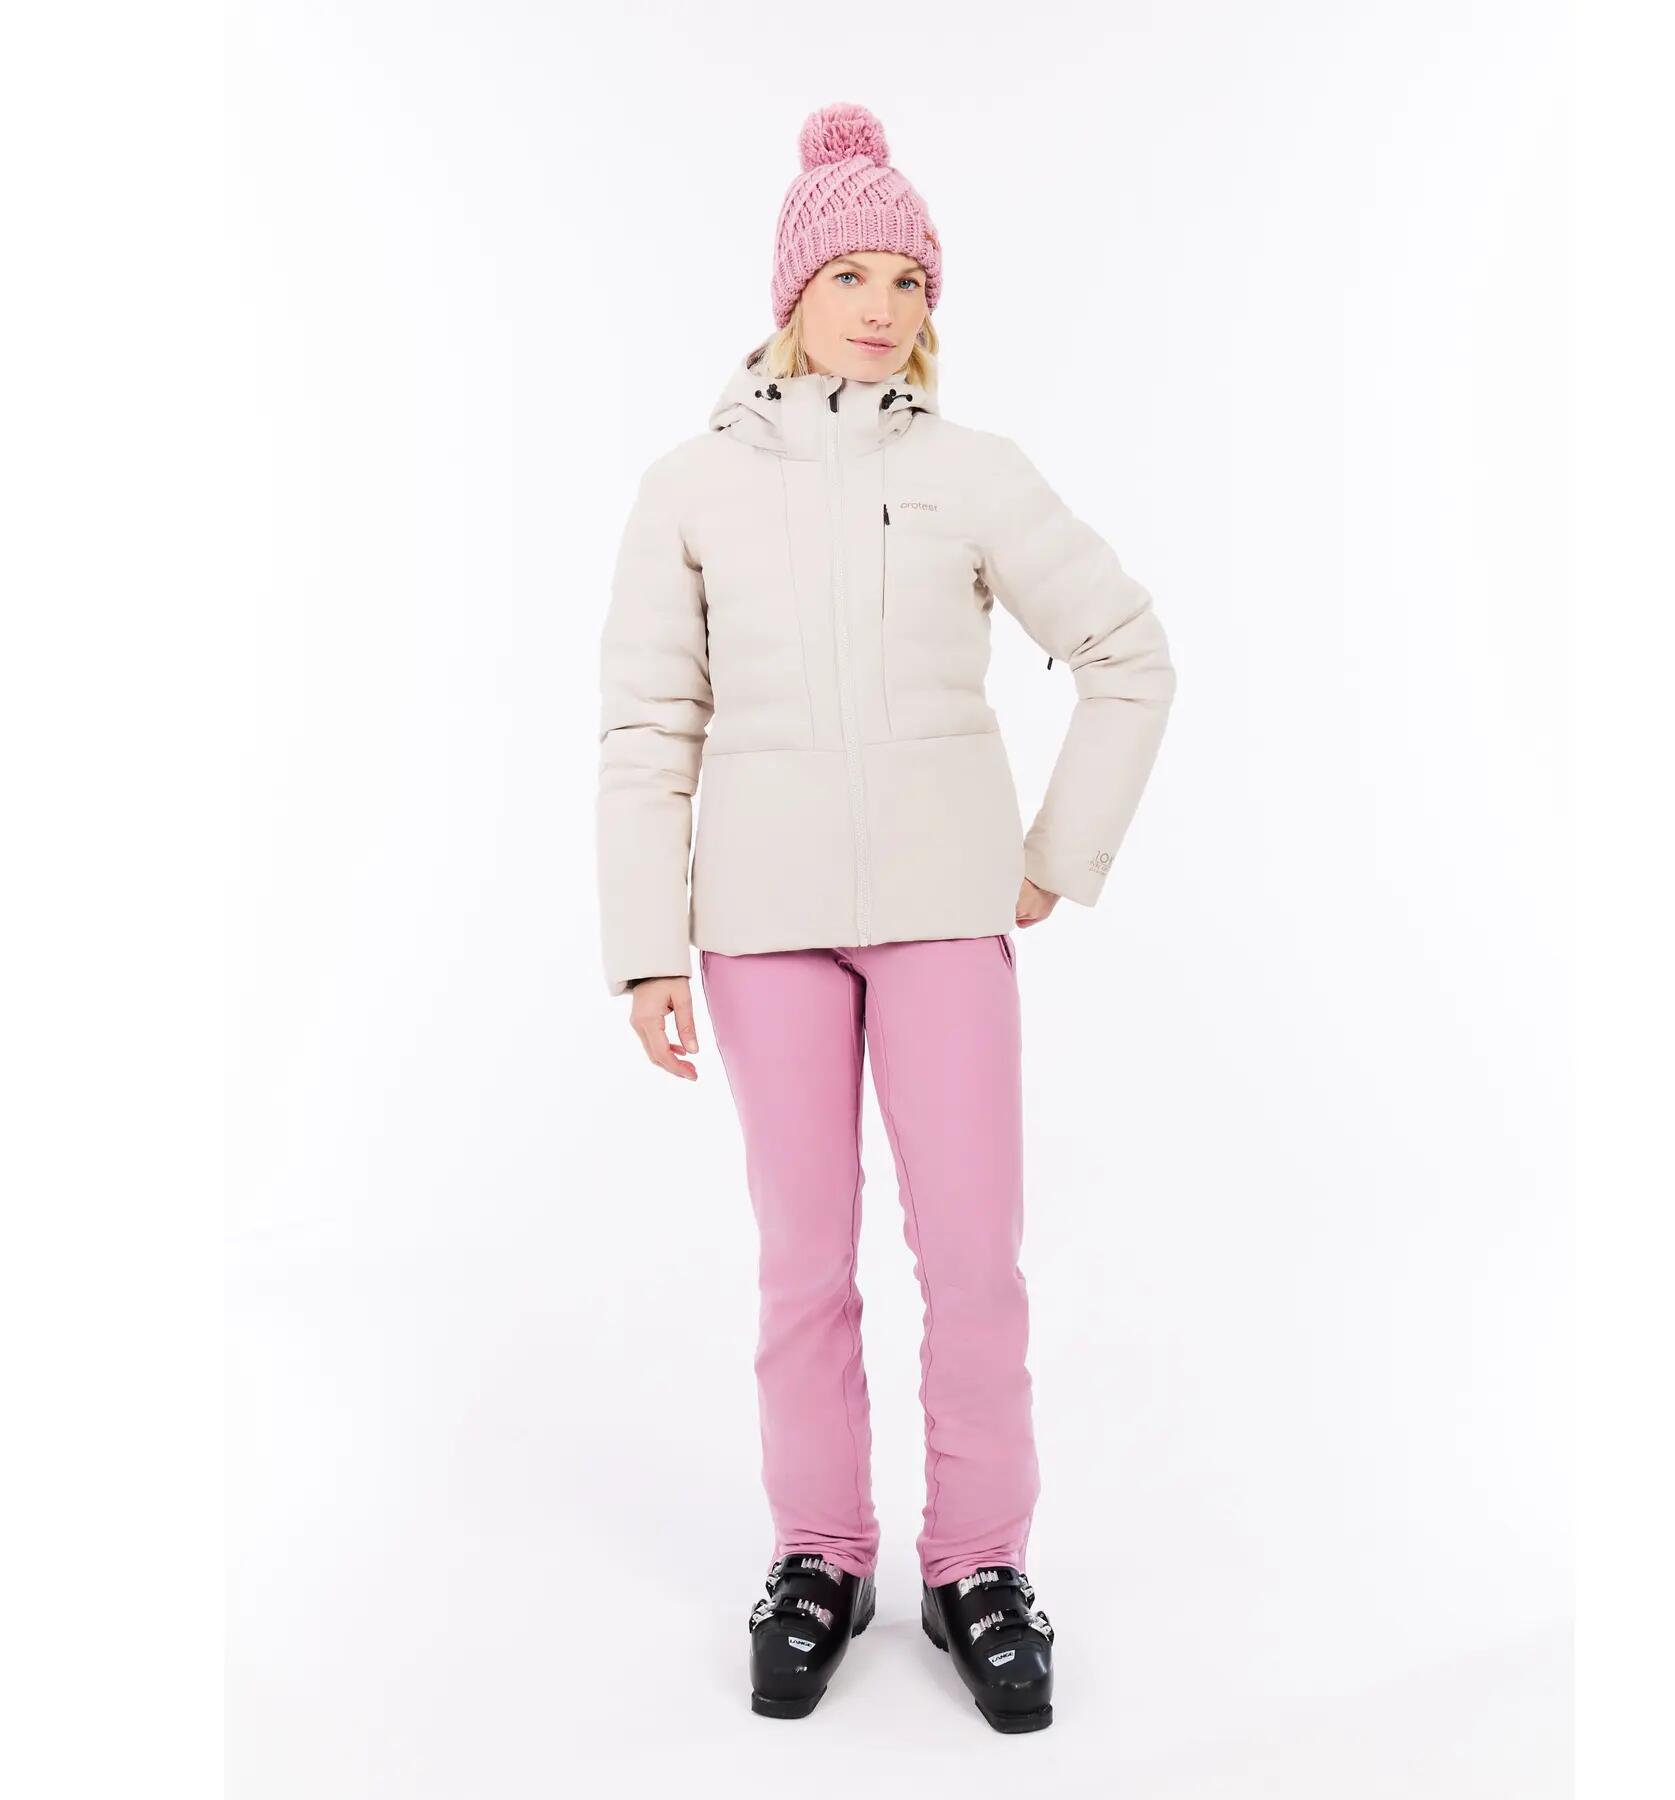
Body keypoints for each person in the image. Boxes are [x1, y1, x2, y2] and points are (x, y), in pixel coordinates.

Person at [595, 101, 1177, 1734]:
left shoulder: (972, 475)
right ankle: (818, 1559)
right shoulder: (691, 489)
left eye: (909, 278)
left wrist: (1055, 855)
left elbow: (1130, 655)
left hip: (940, 922)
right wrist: (646, 947)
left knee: (972, 1261)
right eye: (850, 272)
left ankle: (979, 1566)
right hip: (762, 930)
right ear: (794, 290)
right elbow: (648, 724)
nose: (881, 302)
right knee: (803, 1265)